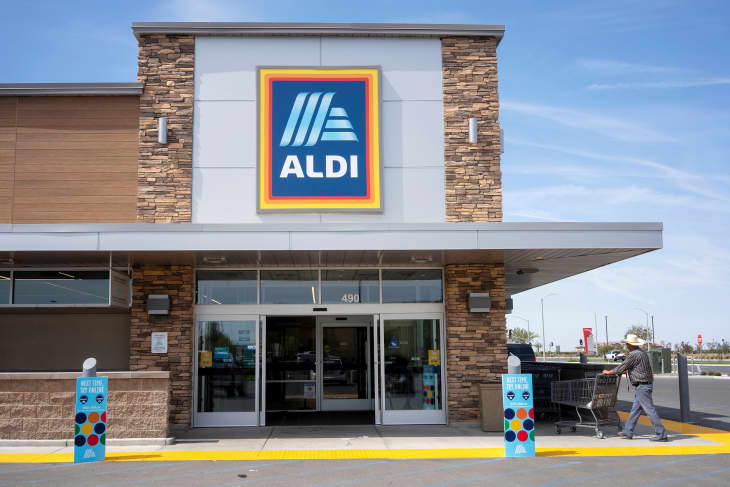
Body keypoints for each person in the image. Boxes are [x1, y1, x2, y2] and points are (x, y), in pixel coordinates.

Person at [603, 333, 667, 441]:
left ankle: (661, 434)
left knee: (649, 410)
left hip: (642, 386)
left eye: (627, 344)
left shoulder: (633, 354)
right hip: (644, 385)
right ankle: (628, 432)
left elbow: (621, 367)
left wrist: (608, 372)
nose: (626, 345)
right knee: (635, 410)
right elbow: (636, 368)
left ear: (630, 344)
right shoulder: (642, 353)